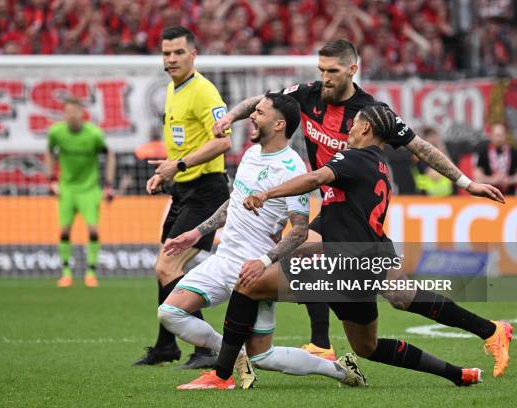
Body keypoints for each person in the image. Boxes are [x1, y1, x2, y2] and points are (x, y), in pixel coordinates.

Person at [212, 40, 513, 373]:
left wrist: (467, 183)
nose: (325, 78)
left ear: (352, 70)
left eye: (333, 71)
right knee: (379, 297)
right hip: (335, 213)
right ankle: (490, 330)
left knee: (383, 290)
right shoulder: (308, 94)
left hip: (352, 216)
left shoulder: (371, 113)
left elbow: (422, 147)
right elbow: (263, 103)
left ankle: (310, 345)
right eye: (321, 70)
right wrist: (231, 116)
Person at [180, 104, 502, 389]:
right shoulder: (379, 166)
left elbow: (314, 179)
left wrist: (267, 195)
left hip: (341, 268)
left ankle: (222, 375)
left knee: (248, 282)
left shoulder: (354, 158)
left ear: (365, 128)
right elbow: (333, 220)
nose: (348, 129)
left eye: (353, 124)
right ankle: (459, 373)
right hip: (364, 265)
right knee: (367, 347)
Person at [159, 93, 367, 390]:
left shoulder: (291, 169)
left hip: (255, 268)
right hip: (223, 259)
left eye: (259, 112)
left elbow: (299, 230)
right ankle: (231, 355)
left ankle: (340, 370)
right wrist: (197, 232)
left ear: (279, 124)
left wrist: (265, 262)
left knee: (264, 356)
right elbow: (234, 202)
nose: (252, 116)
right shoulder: (251, 154)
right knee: (169, 313)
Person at [133, 26, 232, 369]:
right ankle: (166, 346)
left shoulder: (204, 91)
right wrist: (164, 174)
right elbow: (184, 145)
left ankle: (207, 346)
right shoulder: (175, 90)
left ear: (193, 55)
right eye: (166, 53)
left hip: (208, 192)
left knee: (167, 265)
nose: (171, 59)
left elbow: (223, 142)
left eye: (178, 52)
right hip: (184, 191)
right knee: (167, 268)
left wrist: (180, 165)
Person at [45, 97, 115, 288]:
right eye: (67, 112)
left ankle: (91, 272)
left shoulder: (93, 134)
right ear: (64, 114)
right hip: (66, 188)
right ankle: (66, 272)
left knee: (92, 229)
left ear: (81, 114)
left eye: (74, 112)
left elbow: (109, 154)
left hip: (89, 188)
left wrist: (108, 185)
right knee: (64, 230)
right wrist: (51, 179)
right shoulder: (56, 133)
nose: (71, 116)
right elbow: (49, 151)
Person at [475, 122, 517, 196]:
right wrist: (492, 180)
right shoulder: (484, 152)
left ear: (505, 136)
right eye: (496, 135)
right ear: (491, 136)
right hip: (490, 194)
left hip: (510, 195)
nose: (499, 138)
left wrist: (509, 180)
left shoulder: (513, 152)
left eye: (501, 135)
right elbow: (477, 175)